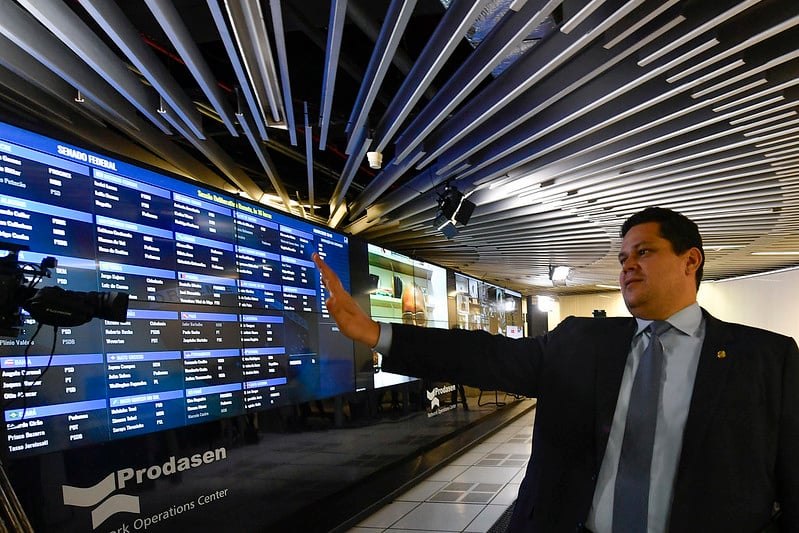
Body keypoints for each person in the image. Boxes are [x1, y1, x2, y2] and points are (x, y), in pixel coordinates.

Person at [312, 207, 798, 533]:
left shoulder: (766, 359)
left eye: (644, 252)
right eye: (623, 257)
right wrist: (379, 334)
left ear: (690, 260)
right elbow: (484, 355)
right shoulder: (581, 342)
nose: (627, 266)